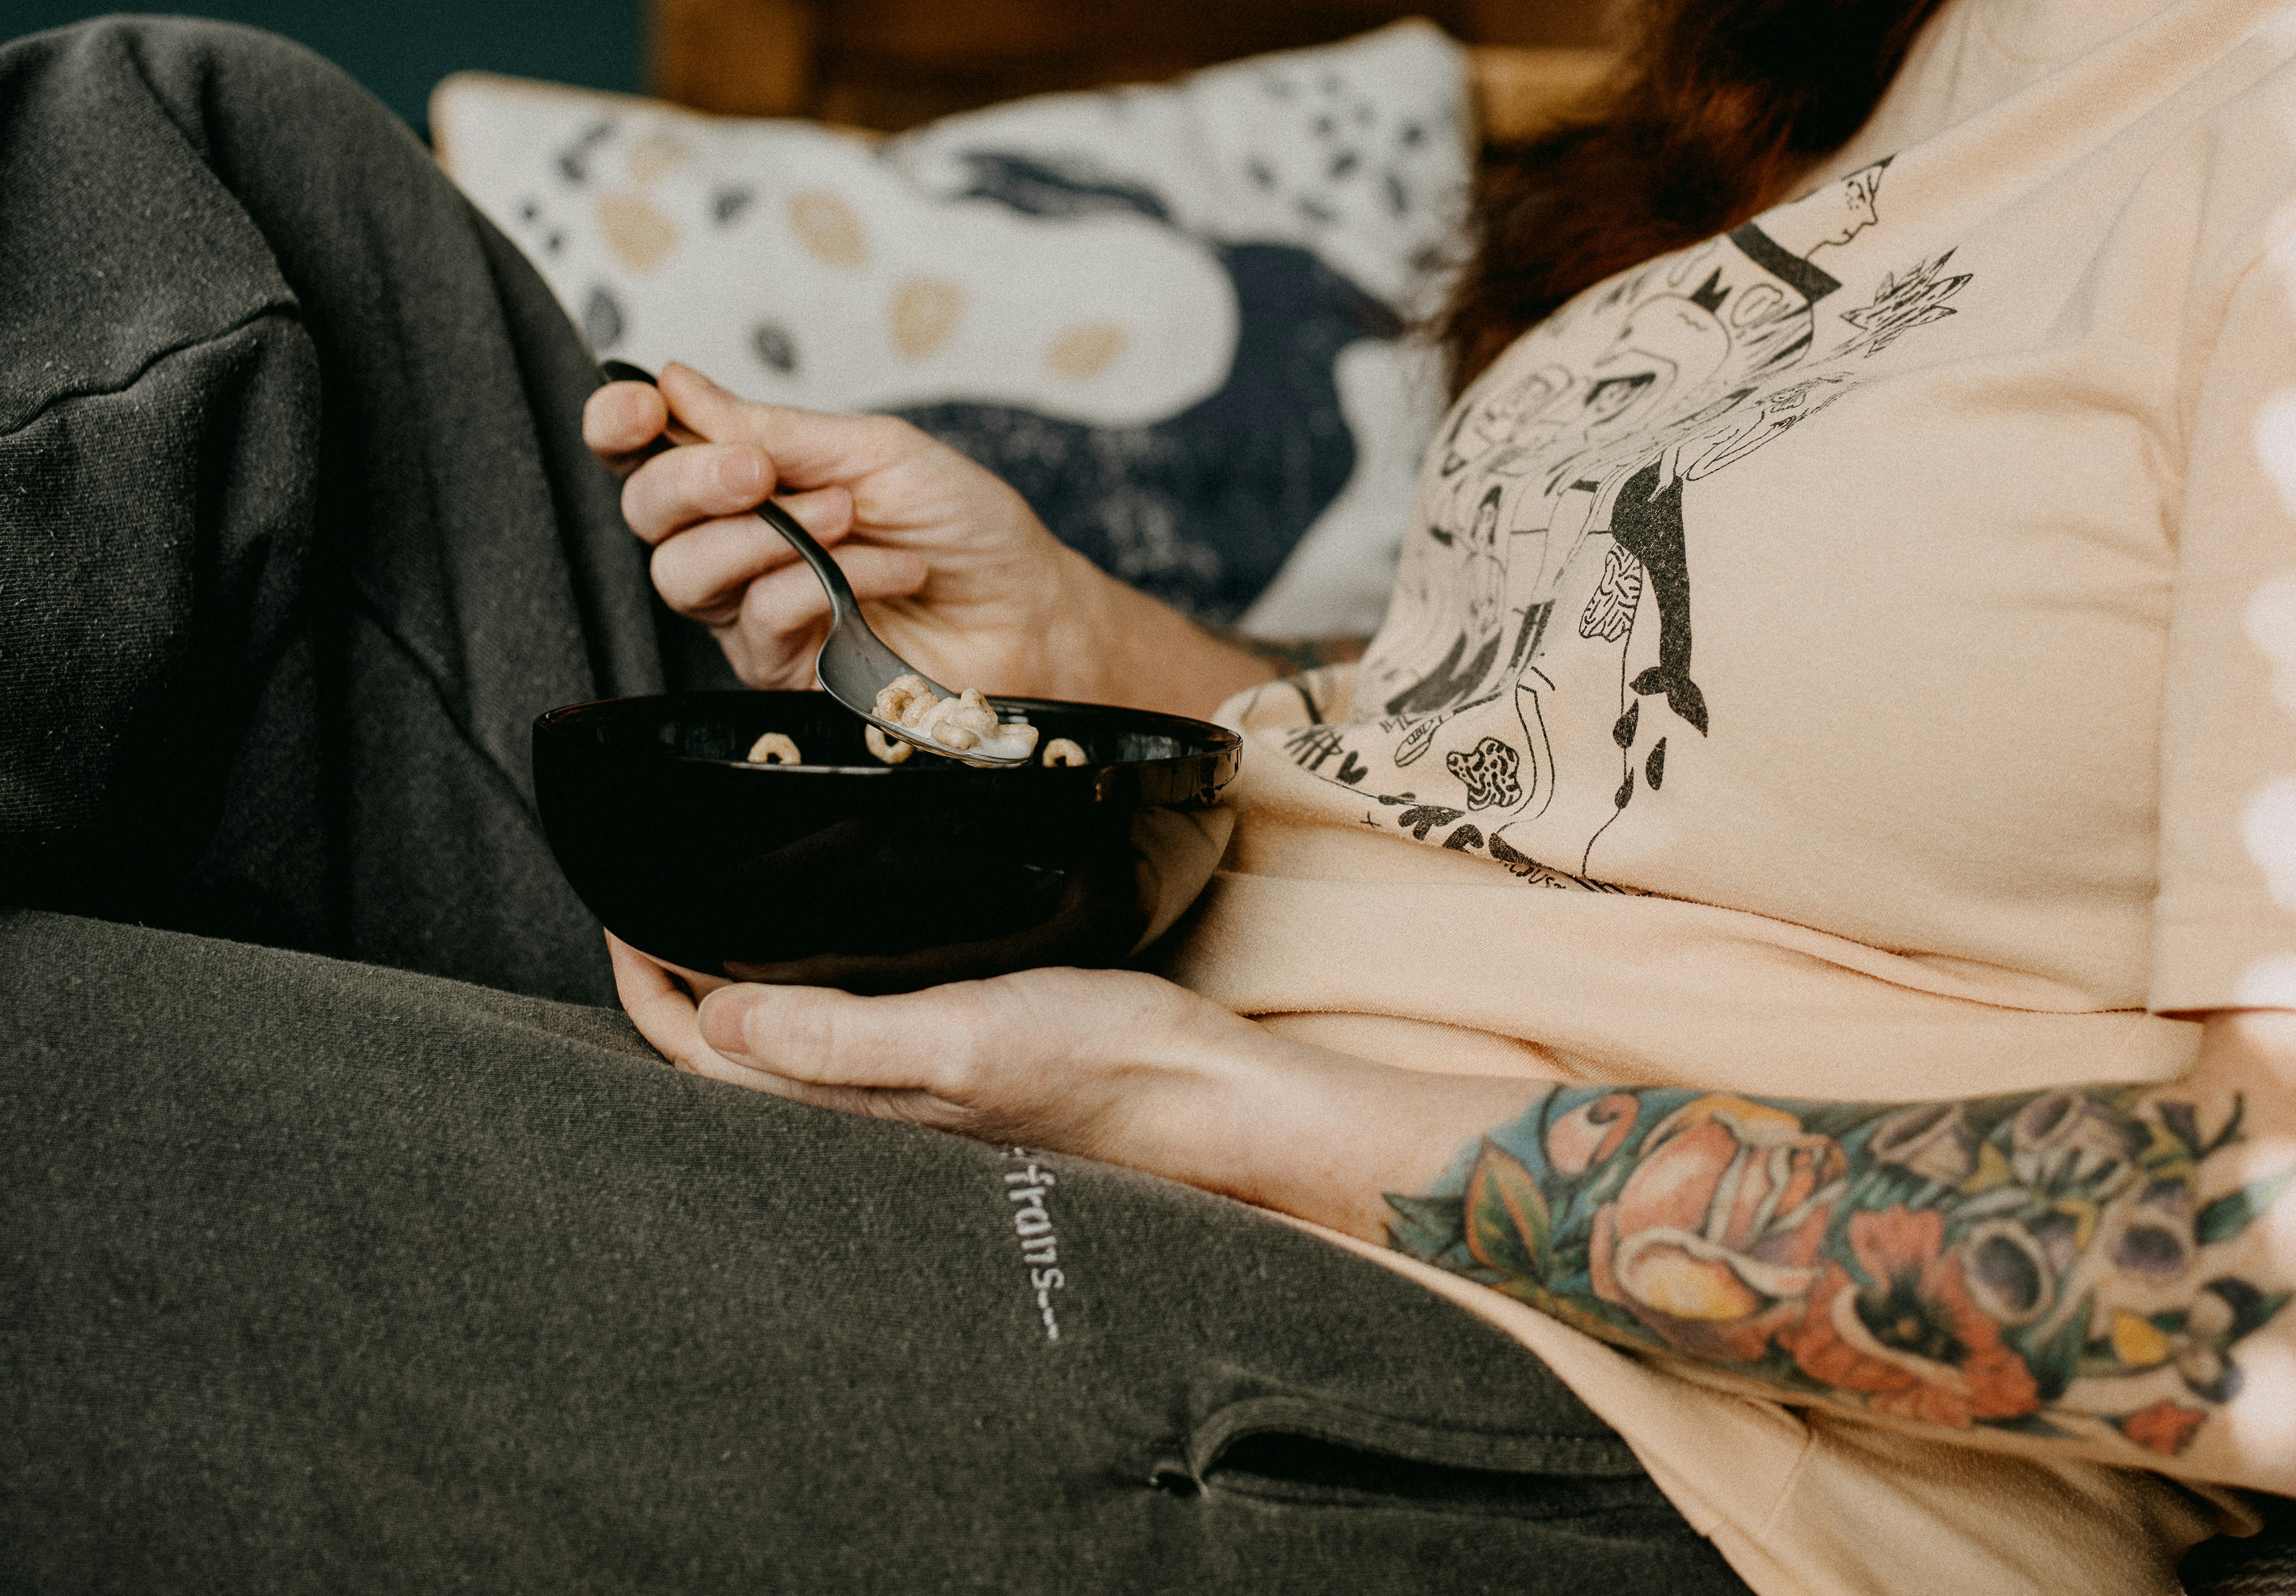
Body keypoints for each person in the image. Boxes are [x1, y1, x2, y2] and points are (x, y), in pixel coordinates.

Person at [2, 5, 2292, 1596]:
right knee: (195, 179)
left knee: (55, 1089)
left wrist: (1215, 1111)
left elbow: (2273, 1287)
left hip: (1584, 1392)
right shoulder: (1849, 86)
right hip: (1156, 995)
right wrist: (1104, 665)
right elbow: (1578, 800)